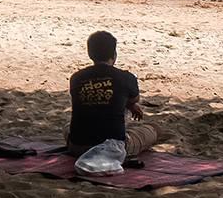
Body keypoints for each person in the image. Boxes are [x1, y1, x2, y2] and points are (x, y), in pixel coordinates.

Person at [65, 31, 162, 160]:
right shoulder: (126, 77)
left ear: (90, 54)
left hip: (77, 147)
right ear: (114, 54)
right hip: (113, 148)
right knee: (155, 129)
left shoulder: (76, 78)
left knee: (67, 128)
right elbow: (134, 98)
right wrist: (131, 105)